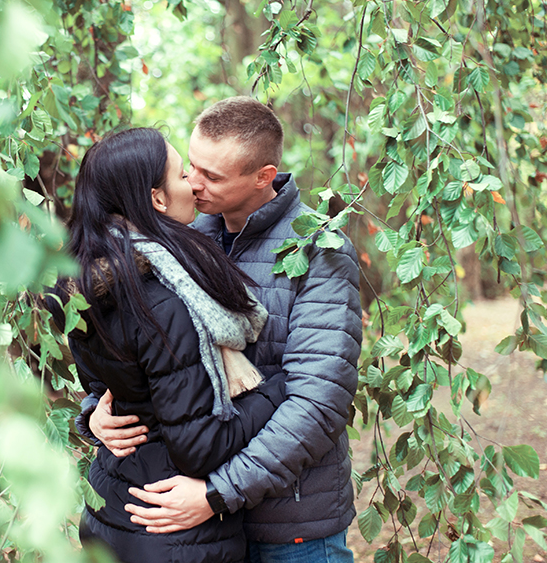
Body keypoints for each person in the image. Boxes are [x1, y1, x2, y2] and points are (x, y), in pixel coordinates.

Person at [82, 98, 363, 563]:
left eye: (211, 176)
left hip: (287, 526)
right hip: (202, 531)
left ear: (262, 176)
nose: (192, 182)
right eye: (190, 166)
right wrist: (96, 412)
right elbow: (139, 359)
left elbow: (318, 402)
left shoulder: (320, 251)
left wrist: (216, 491)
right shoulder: (178, 237)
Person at [47, 127, 286, 563]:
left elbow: (116, 390)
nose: (193, 184)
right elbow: (197, 447)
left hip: (115, 506)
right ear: (156, 198)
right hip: (170, 530)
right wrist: (277, 387)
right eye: (181, 175)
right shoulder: (161, 302)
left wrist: (95, 414)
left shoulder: (87, 285)